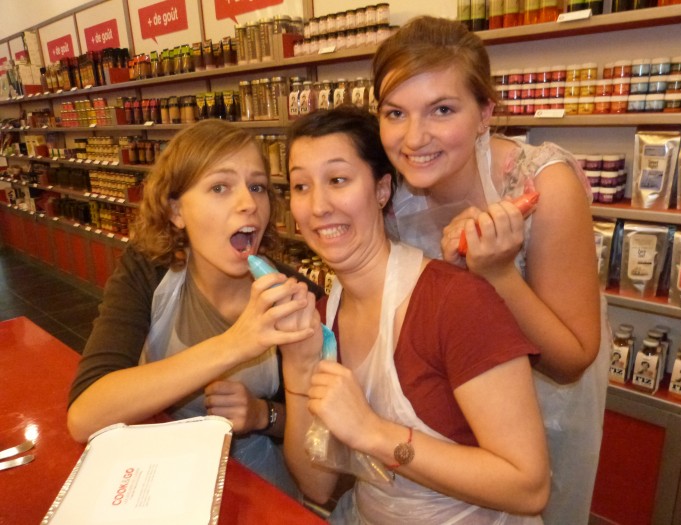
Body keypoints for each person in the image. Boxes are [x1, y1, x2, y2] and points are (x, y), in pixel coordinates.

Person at [372, 16, 611, 524]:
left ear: (485, 113)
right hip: (450, 410)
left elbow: (572, 360)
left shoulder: (541, 185)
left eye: (442, 109)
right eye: (395, 113)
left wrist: (498, 275)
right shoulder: (389, 191)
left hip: (542, 410)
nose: (414, 137)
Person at [278, 106, 550, 524]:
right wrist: (297, 367)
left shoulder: (456, 303)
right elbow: (316, 485)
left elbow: (529, 488)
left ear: (382, 189)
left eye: (338, 180)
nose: (318, 207)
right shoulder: (321, 319)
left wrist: (373, 432)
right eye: (301, 186)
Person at [67, 119, 318, 498]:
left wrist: (261, 414)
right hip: (159, 477)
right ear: (176, 211)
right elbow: (85, 416)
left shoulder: (293, 297)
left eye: (257, 187)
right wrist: (235, 343)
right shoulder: (148, 270)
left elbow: (315, 442)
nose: (249, 204)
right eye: (220, 187)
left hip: (256, 485)